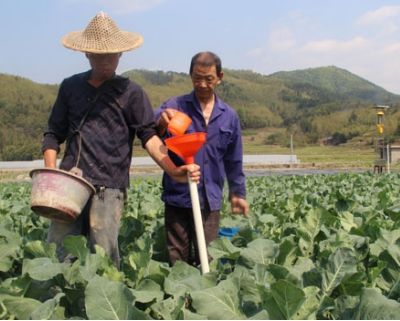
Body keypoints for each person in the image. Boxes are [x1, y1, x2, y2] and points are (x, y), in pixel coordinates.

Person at [41, 12, 200, 269]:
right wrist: (51, 174)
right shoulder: (70, 87)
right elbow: (53, 134)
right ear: (86, 54)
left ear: (121, 54)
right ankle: (64, 306)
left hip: (109, 188)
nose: (106, 61)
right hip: (69, 182)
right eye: (99, 55)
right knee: (62, 256)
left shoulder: (131, 93)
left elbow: (148, 136)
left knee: (103, 259)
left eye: (111, 55)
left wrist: (172, 170)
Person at [155, 51, 249, 266]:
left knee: (208, 257)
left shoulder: (228, 116)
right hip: (178, 196)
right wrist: (162, 122)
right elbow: (151, 134)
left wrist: (237, 193)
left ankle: (204, 296)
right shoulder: (174, 106)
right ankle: (181, 299)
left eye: (209, 78)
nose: (203, 84)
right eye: (197, 78)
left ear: (219, 77)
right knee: (178, 259)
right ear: (190, 76)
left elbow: (234, 160)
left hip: (210, 197)